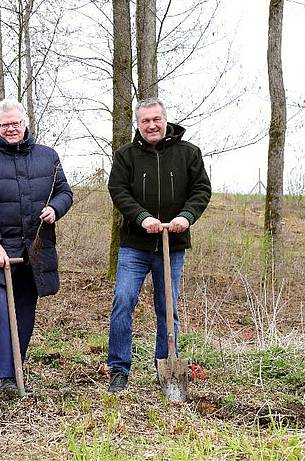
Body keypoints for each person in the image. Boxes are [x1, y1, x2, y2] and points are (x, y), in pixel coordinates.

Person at [0, 99, 73, 397]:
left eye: (16, 123)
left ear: (25, 123)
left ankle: (16, 368)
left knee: (25, 308)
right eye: (5, 124)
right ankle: (3, 376)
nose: (11, 128)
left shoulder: (48, 156)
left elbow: (64, 191)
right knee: (0, 301)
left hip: (35, 248)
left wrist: (55, 208)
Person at [106, 97, 211, 393]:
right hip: (135, 245)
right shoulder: (126, 155)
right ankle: (118, 369)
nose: (151, 125)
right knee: (123, 302)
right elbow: (118, 190)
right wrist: (142, 218)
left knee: (168, 308)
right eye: (145, 121)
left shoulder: (189, 153)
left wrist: (186, 217)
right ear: (138, 125)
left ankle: (166, 368)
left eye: (156, 120)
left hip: (173, 244)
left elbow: (201, 189)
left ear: (166, 120)